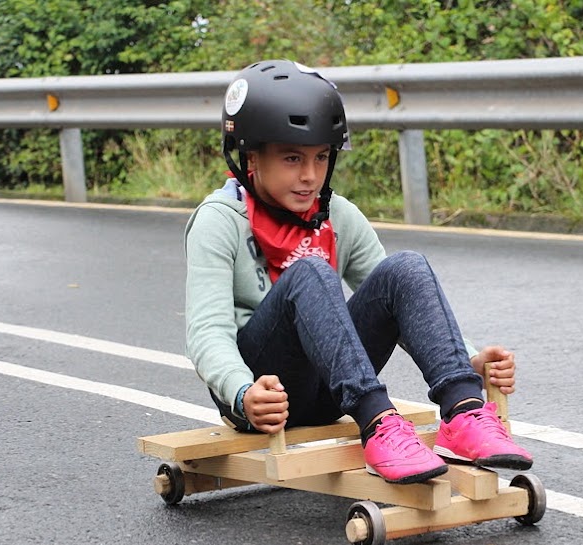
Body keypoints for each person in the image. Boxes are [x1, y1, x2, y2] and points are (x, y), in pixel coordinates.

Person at [184, 59, 533, 485]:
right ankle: (377, 424)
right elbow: (207, 332)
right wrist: (242, 393)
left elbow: (400, 303)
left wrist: (470, 357)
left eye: (321, 157)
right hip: (263, 396)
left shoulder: (338, 215)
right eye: (292, 158)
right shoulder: (219, 220)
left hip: (331, 389)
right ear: (251, 157)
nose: (310, 176)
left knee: (404, 268)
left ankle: (463, 412)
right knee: (310, 271)